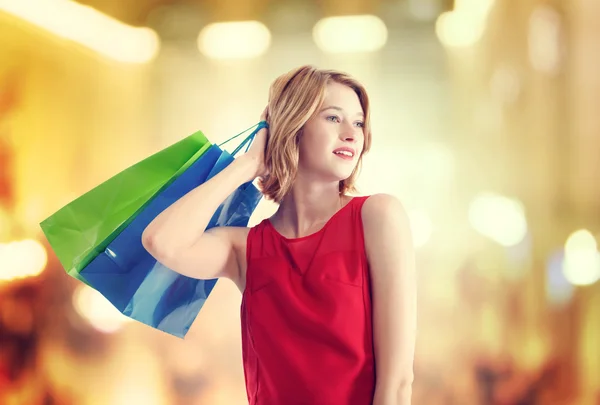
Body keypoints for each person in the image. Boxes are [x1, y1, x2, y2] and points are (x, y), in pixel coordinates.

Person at [142, 65, 417, 405]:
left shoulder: (378, 216)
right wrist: (248, 165)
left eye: (358, 122)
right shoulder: (244, 248)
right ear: (293, 126)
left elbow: (398, 382)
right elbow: (161, 241)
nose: (352, 134)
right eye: (333, 118)